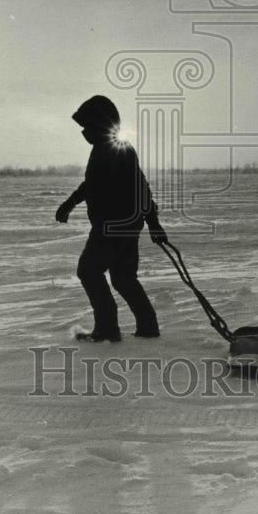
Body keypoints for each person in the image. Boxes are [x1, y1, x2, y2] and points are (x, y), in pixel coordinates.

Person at [55, 95, 167, 342]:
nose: (84, 131)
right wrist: (71, 202)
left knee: (88, 271)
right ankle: (147, 327)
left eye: (88, 125)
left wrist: (154, 223)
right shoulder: (107, 149)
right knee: (123, 278)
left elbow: (141, 187)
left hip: (113, 226)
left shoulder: (117, 149)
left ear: (101, 123)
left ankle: (107, 328)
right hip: (124, 225)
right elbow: (93, 184)